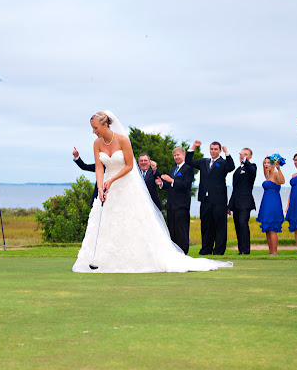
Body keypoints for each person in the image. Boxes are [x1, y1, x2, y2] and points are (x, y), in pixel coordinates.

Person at [72, 111, 232, 273]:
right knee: (105, 220)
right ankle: (101, 259)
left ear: (105, 124)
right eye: (92, 128)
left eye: (95, 128)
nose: (94, 131)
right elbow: (99, 167)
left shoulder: (122, 140)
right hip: (106, 186)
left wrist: (111, 180)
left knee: (131, 220)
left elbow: (129, 166)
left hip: (124, 184)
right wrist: (100, 187)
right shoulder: (97, 143)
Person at [185, 140, 235, 255]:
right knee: (206, 225)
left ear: (220, 151)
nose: (213, 151)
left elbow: (231, 167)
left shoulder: (223, 163)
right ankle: (206, 249)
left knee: (220, 226)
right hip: (205, 199)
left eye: (215, 149)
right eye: (211, 149)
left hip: (219, 201)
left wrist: (227, 152)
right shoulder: (204, 162)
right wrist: (193, 147)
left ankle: (219, 250)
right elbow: (188, 161)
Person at [157, 147, 194, 254]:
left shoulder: (188, 168)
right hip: (171, 205)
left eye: (178, 155)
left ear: (183, 155)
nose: (176, 157)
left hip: (182, 205)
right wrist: (162, 184)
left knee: (181, 230)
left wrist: (172, 180)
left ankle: (183, 252)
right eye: (174, 155)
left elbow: (186, 185)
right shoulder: (173, 169)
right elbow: (170, 185)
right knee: (172, 229)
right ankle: (174, 252)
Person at [227, 148, 257, 255]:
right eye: (242, 154)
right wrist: (229, 205)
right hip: (236, 203)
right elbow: (235, 189)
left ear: (250, 156)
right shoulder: (237, 171)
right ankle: (241, 249)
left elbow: (252, 172)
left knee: (243, 223)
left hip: (245, 202)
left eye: (246, 154)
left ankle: (246, 249)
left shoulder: (252, 167)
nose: (243, 155)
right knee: (237, 225)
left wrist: (245, 161)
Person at [256, 156, 285, 255]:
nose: (266, 164)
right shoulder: (267, 175)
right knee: (267, 228)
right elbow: (264, 167)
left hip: (273, 203)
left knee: (272, 228)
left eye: (268, 163)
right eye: (265, 163)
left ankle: (275, 251)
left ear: (273, 164)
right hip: (266, 202)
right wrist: (264, 160)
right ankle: (270, 251)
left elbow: (282, 181)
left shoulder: (276, 174)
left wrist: (278, 168)